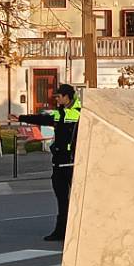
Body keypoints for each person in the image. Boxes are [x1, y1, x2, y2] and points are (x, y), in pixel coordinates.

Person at [16, 85, 81, 242]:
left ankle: (76, 231)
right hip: (58, 162)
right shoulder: (60, 113)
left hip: (72, 162)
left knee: (77, 200)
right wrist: (21, 118)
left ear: (67, 97)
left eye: (59, 97)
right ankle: (60, 231)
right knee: (61, 199)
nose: (56, 100)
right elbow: (43, 119)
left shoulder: (80, 114)